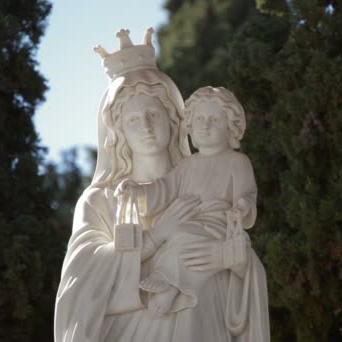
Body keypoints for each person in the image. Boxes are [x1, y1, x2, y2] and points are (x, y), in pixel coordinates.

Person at [54, 28, 270, 342]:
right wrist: (154, 238)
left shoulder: (202, 178)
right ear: (118, 134)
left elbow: (242, 254)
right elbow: (79, 290)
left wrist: (235, 262)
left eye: (154, 113)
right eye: (132, 120)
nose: (146, 126)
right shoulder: (100, 200)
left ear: (173, 119)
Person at [116, 86, 258, 316]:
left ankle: (171, 287)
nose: (205, 125)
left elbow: (247, 195)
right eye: (199, 118)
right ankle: (169, 281)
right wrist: (140, 193)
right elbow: (165, 188)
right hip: (189, 223)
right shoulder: (187, 165)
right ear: (190, 125)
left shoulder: (237, 162)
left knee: (185, 238)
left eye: (214, 119)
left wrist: (242, 207)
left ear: (231, 126)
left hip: (218, 224)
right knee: (179, 237)